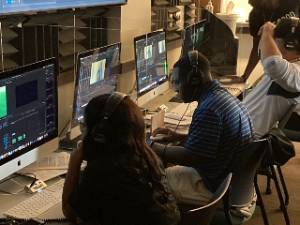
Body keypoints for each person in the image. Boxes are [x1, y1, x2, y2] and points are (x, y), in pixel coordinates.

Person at [151, 51, 253, 206]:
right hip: (233, 183)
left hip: (215, 188)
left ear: (194, 80)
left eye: (178, 82)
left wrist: (150, 145)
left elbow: (190, 157)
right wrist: (178, 136)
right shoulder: (223, 98)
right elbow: (215, 142)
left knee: (151, 182)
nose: (176, 89)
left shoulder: (209, 110)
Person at [62, 92, 180, 225]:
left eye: (85, 126)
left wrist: (74, 161)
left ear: (99, 134)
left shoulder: (103, 171)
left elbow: (69, 211)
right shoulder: (149, 158)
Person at [243, 17, 300, 138]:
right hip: (239, 128)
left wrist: (268, 31)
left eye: (274, 40)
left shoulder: (295, 74)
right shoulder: (289, 67)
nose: (270, 43)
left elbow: (272, 63)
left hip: (247, 140)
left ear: (289, 44)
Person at [241, 0, 300, 82]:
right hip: (276, 64)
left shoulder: (293, 2)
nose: (260, 7)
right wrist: (245, 76)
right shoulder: (256, 14)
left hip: (296, 64)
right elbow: (256, 48)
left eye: (261, 3)